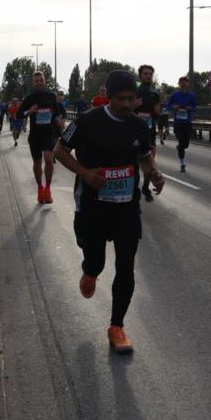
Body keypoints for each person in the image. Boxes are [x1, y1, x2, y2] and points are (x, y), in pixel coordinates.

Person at [54, 69, 165, 353]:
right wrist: (85, 173)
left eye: (132, 99)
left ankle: (117, 326)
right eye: (121, 99)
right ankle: (89, 273)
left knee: (126, 266)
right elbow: (60, 150)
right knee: (96, 263)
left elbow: (143, 157)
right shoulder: (88, 121)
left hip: (127, 208)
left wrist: (153, 173)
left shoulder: (139, 126)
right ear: (109, 97)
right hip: (92, 207)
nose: (128, 105)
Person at [17, 72, 59, 204]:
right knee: (37, 163)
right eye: (36, 81)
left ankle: (48, 189)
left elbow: (57, 113)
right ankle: (40, 189)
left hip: (48, 133)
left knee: (48, 159)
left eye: (41, 80)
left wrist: (59, 121)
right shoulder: (29, 98)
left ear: (45, 81)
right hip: (35, 135)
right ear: (33, 83)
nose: (39, 83)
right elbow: (19, 115)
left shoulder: (51, 96)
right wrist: (30, 111)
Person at [134, 64, 161, 202]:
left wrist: (158, 108)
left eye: (150, 74)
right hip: (134, 132)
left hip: (149, 131)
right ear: (140, 76)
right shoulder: (134, 92)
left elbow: (157, 112)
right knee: (134, 161)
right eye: (145, 73)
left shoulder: (155, 93)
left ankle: (145, 187)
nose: (148, 76)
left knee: (150, 161)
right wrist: (135, 105)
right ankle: (134, 187)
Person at [166, 76, 197, 172]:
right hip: (178, 123)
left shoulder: (192, 96)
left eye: (185, 82)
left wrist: (190, 108)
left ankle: (180, 147)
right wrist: (173, 107)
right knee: (181, 141)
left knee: (185, 144)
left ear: (187, 84)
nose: (184, 83)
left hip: (187, 123)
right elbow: (168, 106)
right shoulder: (174, 95)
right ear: (179, 84)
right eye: (182, 82)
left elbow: (195, 107)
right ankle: (182, 164)